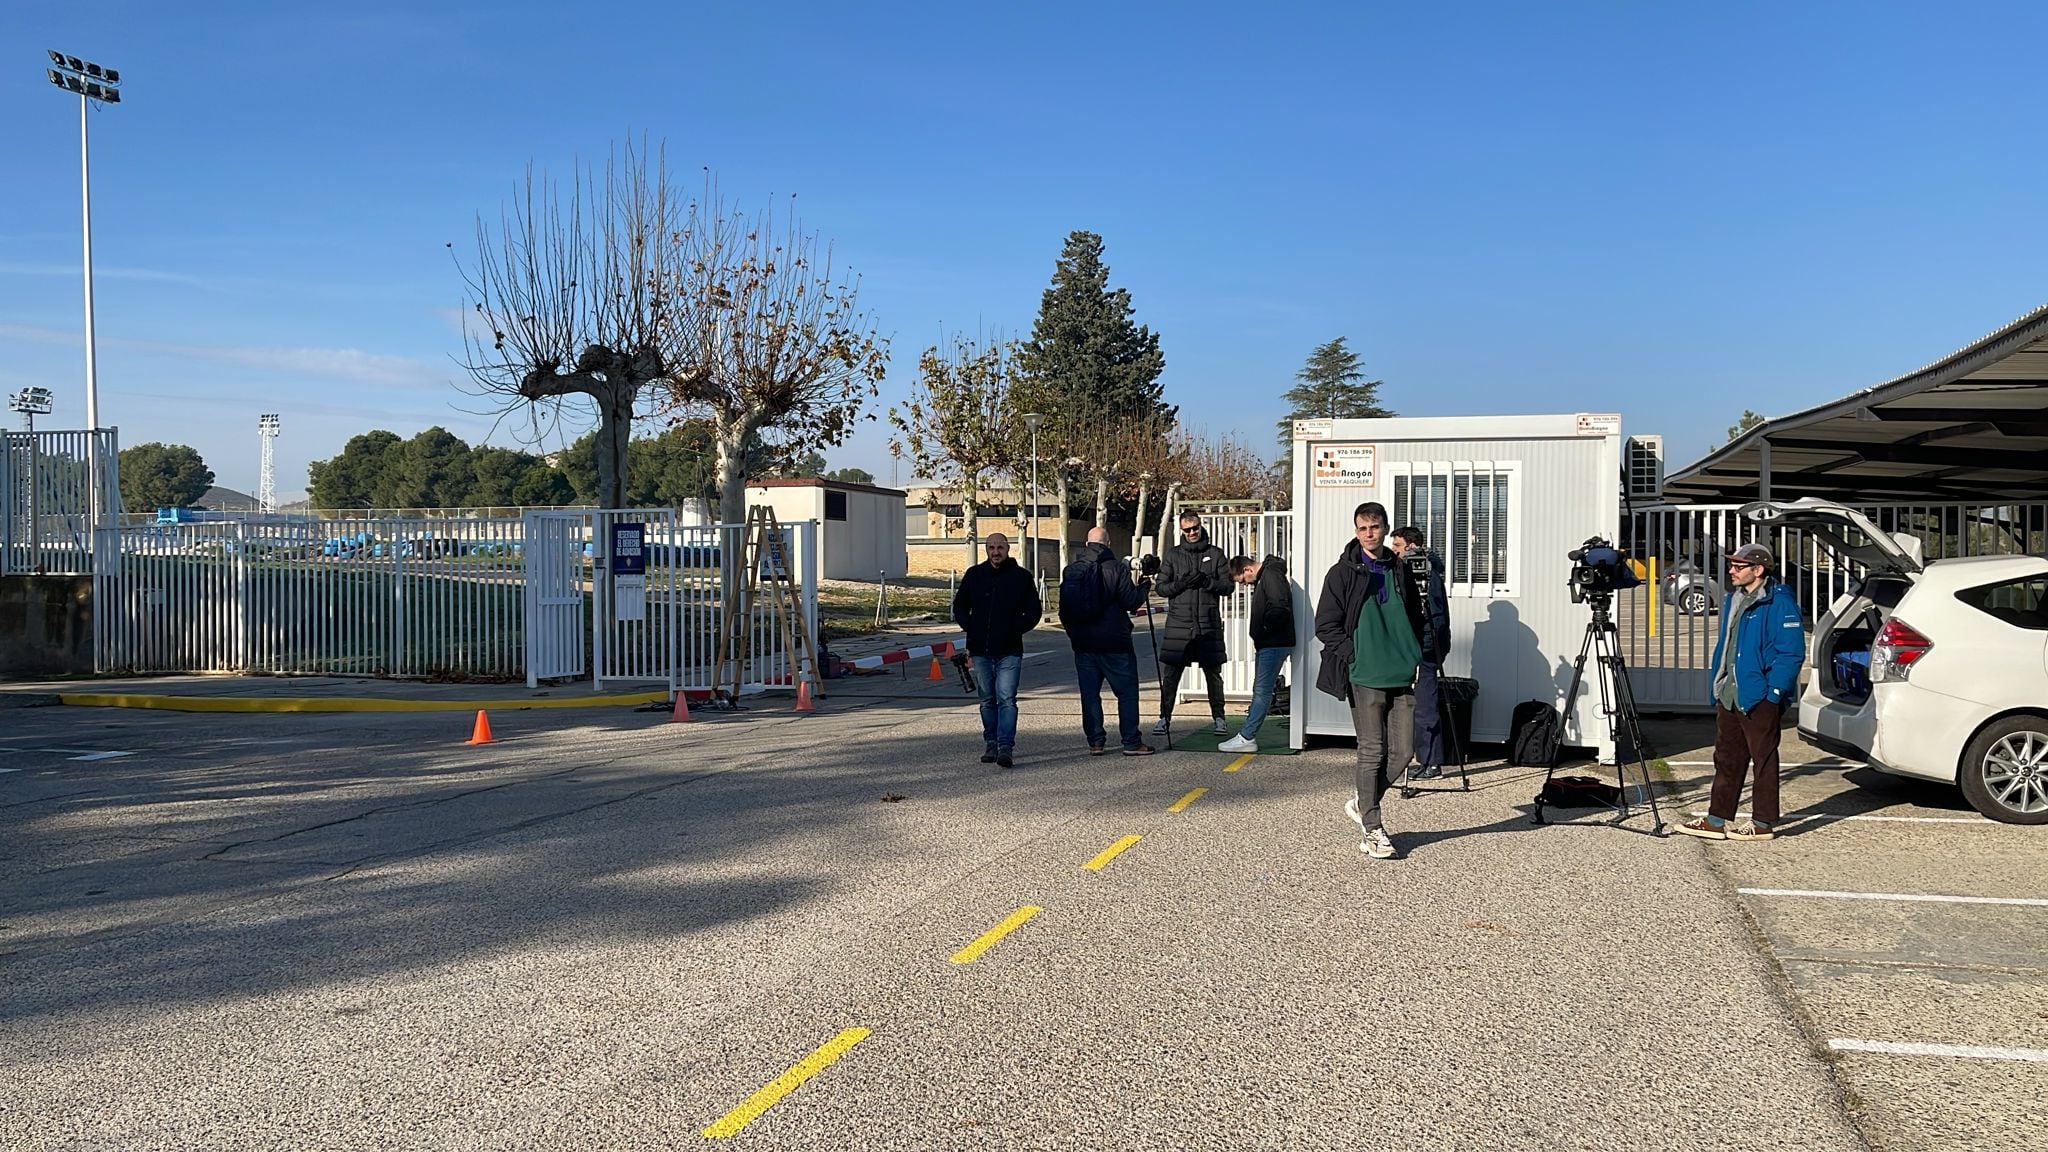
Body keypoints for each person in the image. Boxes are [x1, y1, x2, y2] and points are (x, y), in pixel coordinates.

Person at [1314, 501, 1426, 860]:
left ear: (1385, 528)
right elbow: (1325, 624)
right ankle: (1373, 829)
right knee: (1372, 750)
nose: (1369, 534)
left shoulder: (1399, 570)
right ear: (1356, 530)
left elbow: (1414, 616)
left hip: (1401, 672)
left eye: (1375, 527)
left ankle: (1363, 803)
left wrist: (1416, 656)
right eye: (1363, 528)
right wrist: (1353, 654)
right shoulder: (1342, 572)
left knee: (1405, 751)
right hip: (1365, 675)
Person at [1680, 542, 1804, 841]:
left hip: (1758, 694)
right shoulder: (1733, 598)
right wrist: (1719, 684)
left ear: (1757, 570)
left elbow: (1791, 653)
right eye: (1732, 565)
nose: (1731, 571)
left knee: (1763, 758)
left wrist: (1773, 692)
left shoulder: (1779, 602)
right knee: (1726, 757)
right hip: (1729, 692)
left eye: (1738, 566)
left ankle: (1762, 823)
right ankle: (1716, 819)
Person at [1059, 527, 1158, 757]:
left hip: (1083, 644)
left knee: (1090, 694)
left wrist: (1073, 634)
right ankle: (1131, 742)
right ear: (1108, 544)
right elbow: (1131, 602)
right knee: (1126, 693)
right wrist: (1144, 584)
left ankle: (1096, 742)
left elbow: (1065, 610)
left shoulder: (1072, 571)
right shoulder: (1116, 568)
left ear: (1086, 544)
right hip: (1115, 642)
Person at [951, 532, 1042, 769]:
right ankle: (990, 742)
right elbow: (959, 605)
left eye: (1000, 547)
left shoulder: (1021, 577)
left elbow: (1034, 610)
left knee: (1007, 699)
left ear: (1008, 549)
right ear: (986, 550)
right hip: (980, 650)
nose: (995, 551)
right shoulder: (975, 575)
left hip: (1009, 650)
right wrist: (970, 626)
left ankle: (1005, 746)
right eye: (991, 547)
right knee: (987, 700)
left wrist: (1016, 629)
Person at [1151, 511, 1234, 737]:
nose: (1192, 533)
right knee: (1171, 676)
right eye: (1186, 530)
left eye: (1194, 528)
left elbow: (1228, 587)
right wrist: (1182, 583)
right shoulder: (1173, 555)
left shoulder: (1215, 554)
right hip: (1179, 624)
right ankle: (1164, 718)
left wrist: (1207, 581)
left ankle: (1219, 717)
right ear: (1181, 531)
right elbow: (1161, 587)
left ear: (1200, 525)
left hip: (1208, 624)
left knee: (1213, 675)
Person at [1389, 527, 1452, 779]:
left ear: (1411, 546)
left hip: (1424, 646)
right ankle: (1424, 759)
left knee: (1425, 705)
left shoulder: (1424, 572)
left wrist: (1424, 646)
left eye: (1397, 546)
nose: (1394, 551)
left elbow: (1431, 614)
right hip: (1423, 644)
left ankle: (1432, 762)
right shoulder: (1424, 568)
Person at [1218, 553, 1294, 754]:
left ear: (1247, 569)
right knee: (1261, 690)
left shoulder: (1270, 575)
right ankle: (1246, 735)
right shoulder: (1270, 574)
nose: (1243, 585)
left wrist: (1264, 630)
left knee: (1262, 691)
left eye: (1242, 580)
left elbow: (1279, 607)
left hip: (1273, 642)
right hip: (1273, 641)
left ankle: (1247, 736)